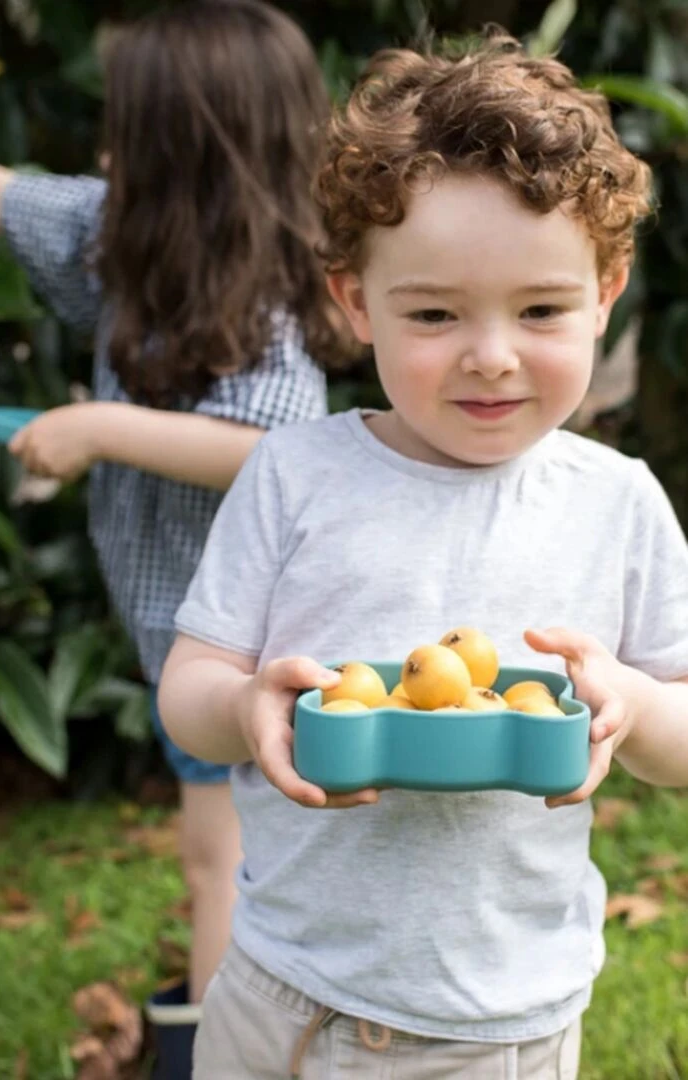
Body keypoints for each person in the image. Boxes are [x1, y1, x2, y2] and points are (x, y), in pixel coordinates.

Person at [157, 31, 688, 1080]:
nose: (491, 353)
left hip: (491, 1020)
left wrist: (627, 700)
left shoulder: (615, 503)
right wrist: (245, 705)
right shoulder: (294, 477)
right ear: (357, 302)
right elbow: (189, 689)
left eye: (540, 311)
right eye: (436, 314)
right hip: (277, 989)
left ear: (607, 290)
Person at [0, 2, 346, 1075]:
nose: (100, 154)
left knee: (217, 865)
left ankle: (229, 1057)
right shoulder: (122, 242)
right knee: (239, 857)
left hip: (244, 645)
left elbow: (267, 443)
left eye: (123, 133)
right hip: (184, 631)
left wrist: (96, 429)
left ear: (187, 154)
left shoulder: (267, 297)